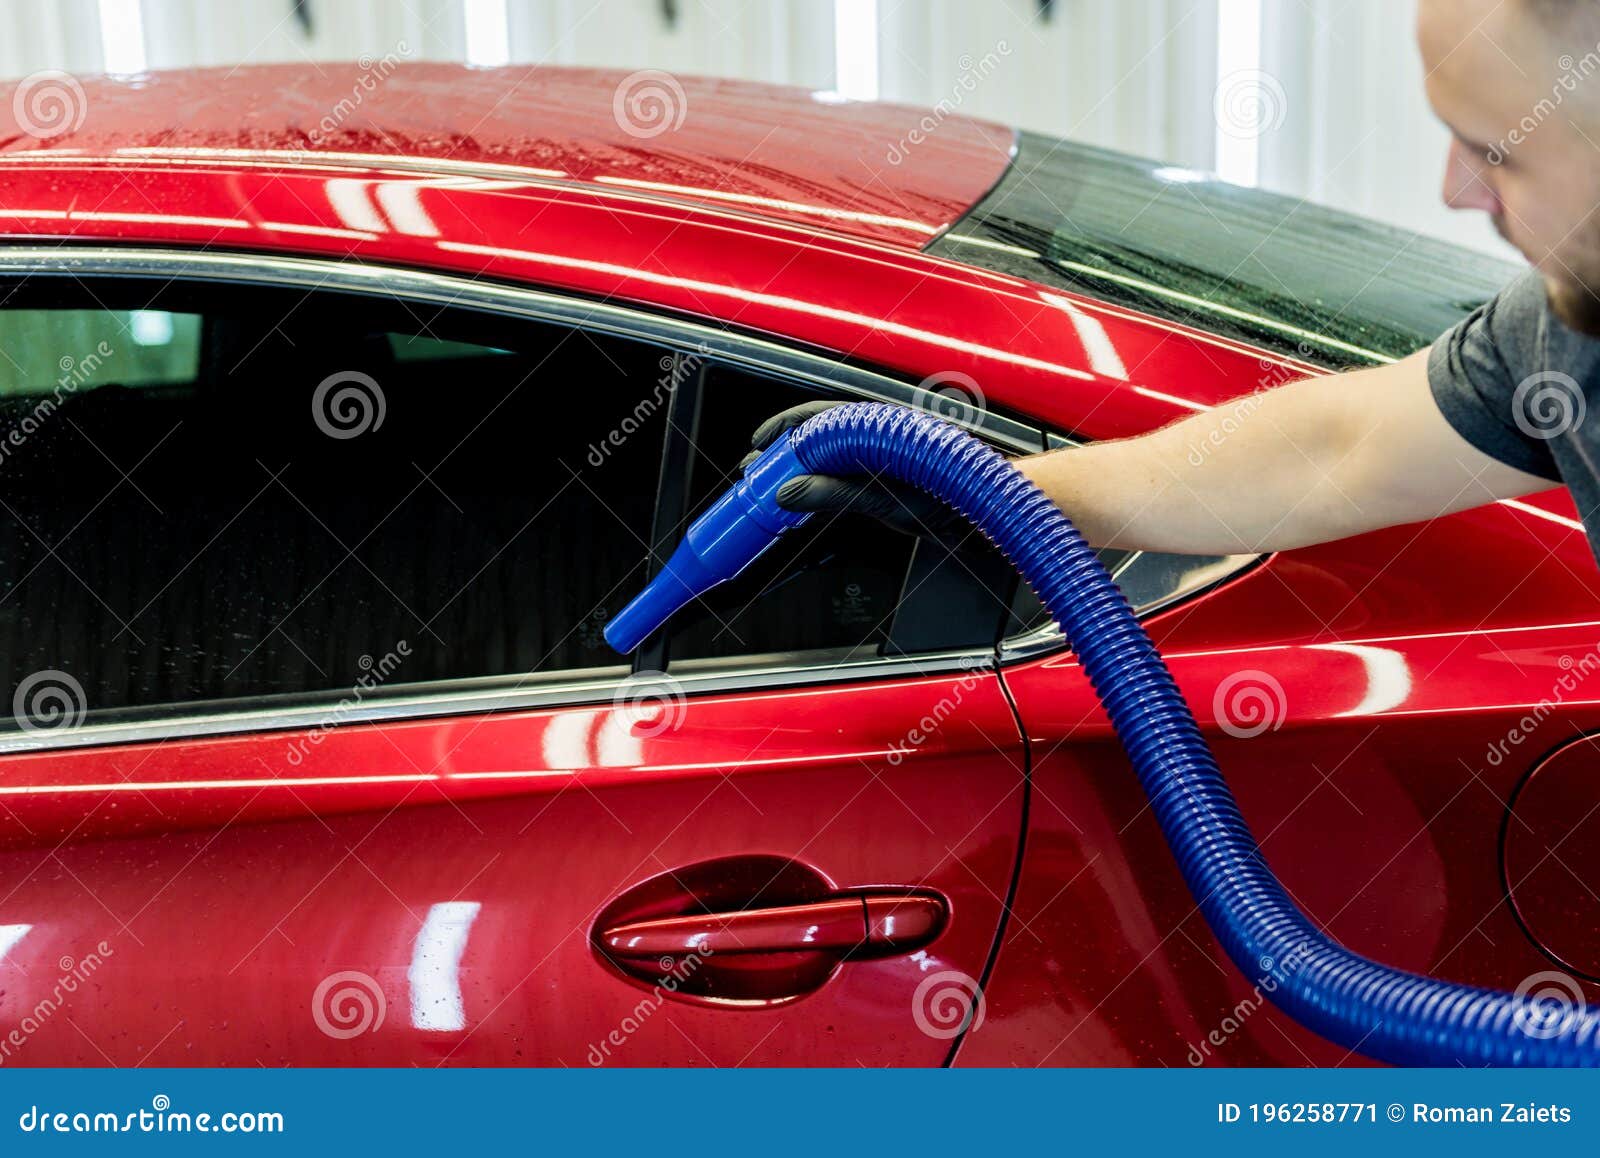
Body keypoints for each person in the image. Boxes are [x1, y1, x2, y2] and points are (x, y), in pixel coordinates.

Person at [749, 0, 1600, 564]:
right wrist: (985, 487)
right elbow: (1334, 450)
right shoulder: (1558, 337)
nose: (1454, 192)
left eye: (1498, 151)